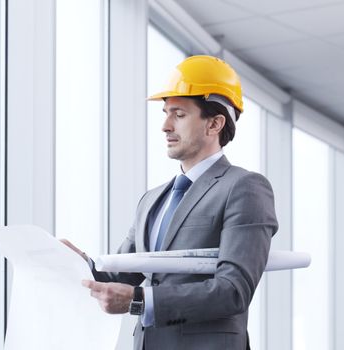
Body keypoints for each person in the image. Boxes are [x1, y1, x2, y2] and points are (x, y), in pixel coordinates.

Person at [62, 55, 278, 350]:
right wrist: (77, 263)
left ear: (214, 123)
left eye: (179, 114)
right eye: (166, 113)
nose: (165, 125)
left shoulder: (244, 188)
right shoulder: (151, 200)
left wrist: (140, 299)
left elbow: (233, 291)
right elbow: (123, 273)